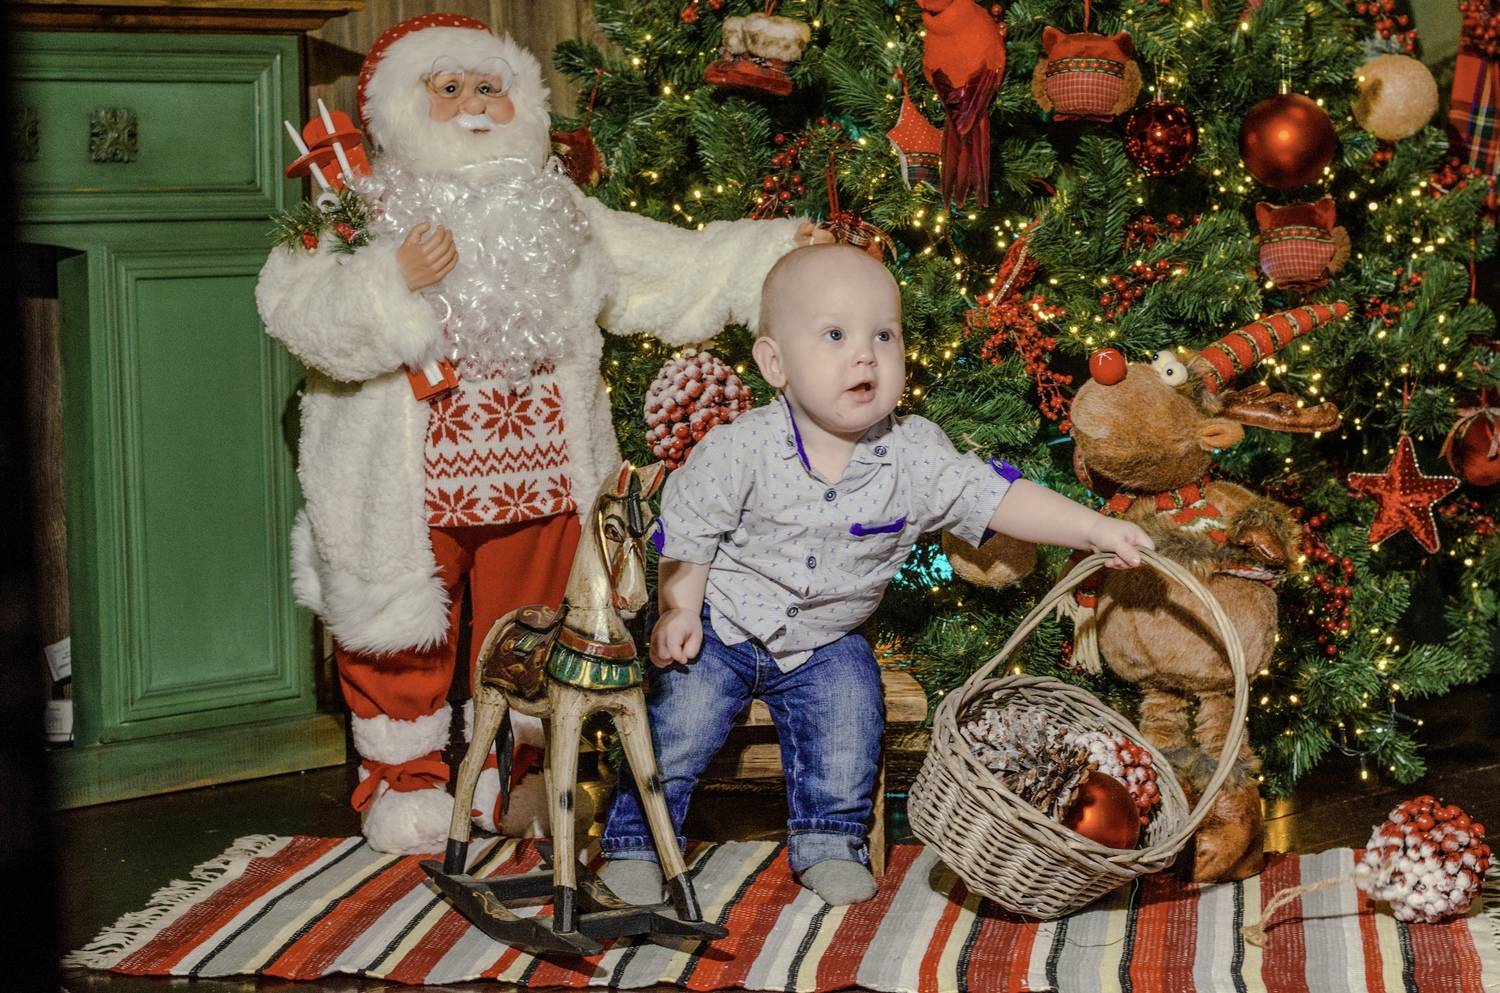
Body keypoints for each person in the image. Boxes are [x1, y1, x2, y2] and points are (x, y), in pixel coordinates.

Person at [255, 13, 830, 854]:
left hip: (541, 476)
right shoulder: (360, 210)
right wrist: (389, 279)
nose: (474, 104)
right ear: (401, 107)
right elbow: (295, 309)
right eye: (449, 87)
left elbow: (669, 266)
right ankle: (403, 779)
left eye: (491, 86)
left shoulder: (557, 210)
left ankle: (509, 773)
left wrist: (776, 252)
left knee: (530, 632)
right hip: (405, 486)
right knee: (395, 630)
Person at [600, 244, 1154, 905]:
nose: (864, 355)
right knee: (681, 719)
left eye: (883, 335)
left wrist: (1095, 529)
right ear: (775, 364)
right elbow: (690, 527)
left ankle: (829, 840)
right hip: (725, 620)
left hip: (827, 637)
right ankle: (636, 840)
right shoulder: (741, 447)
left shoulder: (913, 455)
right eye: (835, 335)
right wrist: (680, 608)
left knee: (849, 717)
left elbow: (997, 498)